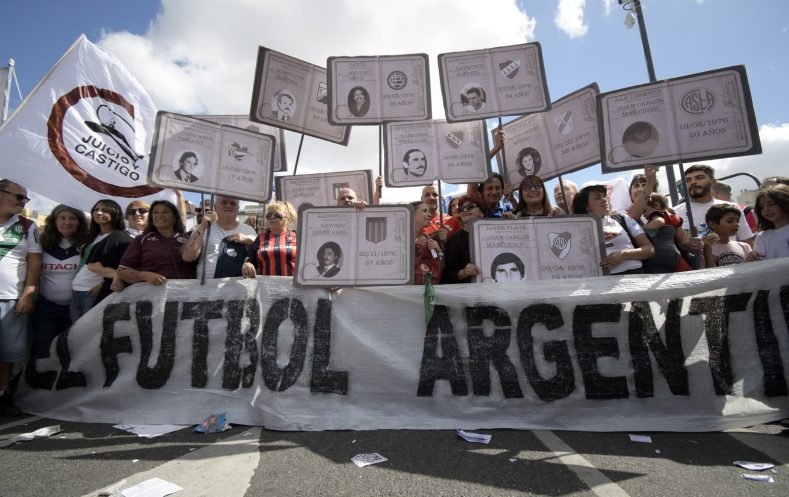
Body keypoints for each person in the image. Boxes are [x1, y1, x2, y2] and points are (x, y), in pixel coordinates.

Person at [0, 180, 41, 416]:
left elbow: (34, 261)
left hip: (11, 298)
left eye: (25, 198)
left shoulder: (27, 226)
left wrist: (29, 292)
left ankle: (3, 395)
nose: (23, 202)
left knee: (8, 353)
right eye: (19, 197)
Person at [30, 205, 90, 358]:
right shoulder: (41, 244)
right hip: (46, 310)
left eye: (72, 218)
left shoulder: (87, 246)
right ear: (54, 221)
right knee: (42, 351)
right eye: (62, 218)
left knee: (72, 352)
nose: (67, 222)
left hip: (76, 309)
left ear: (80, 222)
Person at [573, 185, 655, 275]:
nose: (604, 199)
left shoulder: (624, 218)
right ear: (586, 206)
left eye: (604, 196)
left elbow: (649, 250)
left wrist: (624, 255)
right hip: (601, 282)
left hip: (635, 276)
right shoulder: (577, 229)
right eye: (597, 198)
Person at [70, 199, 131, 321]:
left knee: (87, 333)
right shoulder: (93, 236)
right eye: (96, 210)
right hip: (76, 290)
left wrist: (103, 285)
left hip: (92, 293)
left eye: (104, 210)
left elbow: (123, 266)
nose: (98, 213)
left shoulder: (119, 238)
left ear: (115, 213)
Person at [117, 200, 196, 285]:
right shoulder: (141, 240)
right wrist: (144, 275)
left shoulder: (188, 240)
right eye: (155, 212)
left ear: (175, 217)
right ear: (151, 218)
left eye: (165, 212)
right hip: (152, 295)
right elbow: (122, 271)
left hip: (186, 293)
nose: (160, 216)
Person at [674, 164, 754, 244]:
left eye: (699, 177)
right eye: (688, 180)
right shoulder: (675, 213)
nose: (693, 182)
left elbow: (747, 241)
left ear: (713, 181)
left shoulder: (732, 207)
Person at [182, 195, 257, 279]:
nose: (228, 205)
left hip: (239, 289)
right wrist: (202, 227)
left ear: (238, 209)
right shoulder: (203, 228)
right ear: (215, 207)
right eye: (224, 202)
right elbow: (187, 257)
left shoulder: (249, 230)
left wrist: (248, 241)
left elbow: (259, 259)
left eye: (233, 203)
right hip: (207, 289)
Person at [242, 201, 298, 278]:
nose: (272, 217)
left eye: (277, 215)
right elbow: (250, 259)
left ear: (288, 218)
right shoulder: (260, 238)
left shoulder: (297, 237)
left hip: (292, 287)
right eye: (269, 215)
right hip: (266, 287)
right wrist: (247, 264)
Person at [442, 195, 484, 284]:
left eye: (470, 207)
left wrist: (511, 222)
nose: (465, 210)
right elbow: (446, 275)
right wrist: (464, 273)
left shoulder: (494, 233)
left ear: (482, 212)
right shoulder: (454, 240)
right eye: (462, 208)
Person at [752, 184, 789, 259]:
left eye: (771, 204)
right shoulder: (762, 237)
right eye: (761, 207)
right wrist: (752, 257)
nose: (766, 210)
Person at [412, 201, 443, 285]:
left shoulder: (432, 240)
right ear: (412, 214)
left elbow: (441, 268)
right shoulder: (401, 241)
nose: (430, 214)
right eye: (425, 211)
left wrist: (439, 251)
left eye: (429, 211)